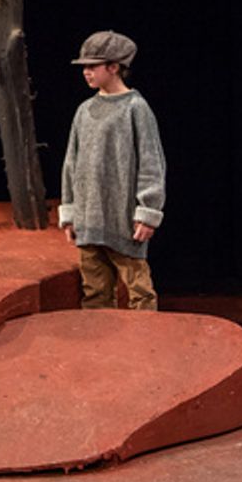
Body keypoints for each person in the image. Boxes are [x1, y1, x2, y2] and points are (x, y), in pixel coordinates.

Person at [57, 31, 166, 311]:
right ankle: (102, 352)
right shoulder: (85, 110)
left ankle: (145, 349)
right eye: (84, 66)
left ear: (114, 67)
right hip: (89, 220)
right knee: (95, 294)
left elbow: (151, 162)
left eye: (92, 66)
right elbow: (71, 163)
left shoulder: (135, 108)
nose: (86, 72)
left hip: (123, 221)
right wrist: (69, 212)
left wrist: (148, 212)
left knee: (139, 293)